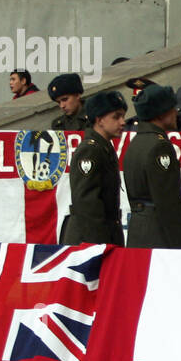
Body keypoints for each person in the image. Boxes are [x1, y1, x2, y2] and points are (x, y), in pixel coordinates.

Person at [124, 84, 181, 249]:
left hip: (138, 232)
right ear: (161, 114)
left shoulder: (135, 142)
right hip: (159, 236)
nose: (176, 112)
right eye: (172, 108)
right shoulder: (159, 147)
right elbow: (168, 204)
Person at [60, 91, 128, 247]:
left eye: (123, 116)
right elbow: (87, 203)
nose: (122, 122)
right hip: (90, 238)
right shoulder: (90, 150)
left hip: (104, 235)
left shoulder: (103, 148)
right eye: (116, 117)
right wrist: (100, 245)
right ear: (100, 120)